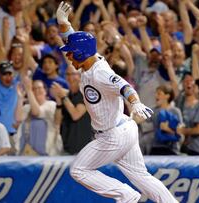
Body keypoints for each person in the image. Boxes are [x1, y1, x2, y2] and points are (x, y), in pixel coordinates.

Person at [56, 2, 177, 203]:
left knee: (79, 169)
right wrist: (63, 23)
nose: (68, 55)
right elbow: (72, 38)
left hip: (112, 135)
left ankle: (128, 197)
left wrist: (135, 102)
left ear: (80, 53)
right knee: (141, 176)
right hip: (123, 128)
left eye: (71, 52)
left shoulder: (100, 72)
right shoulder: (89, 57)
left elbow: (125, 87)